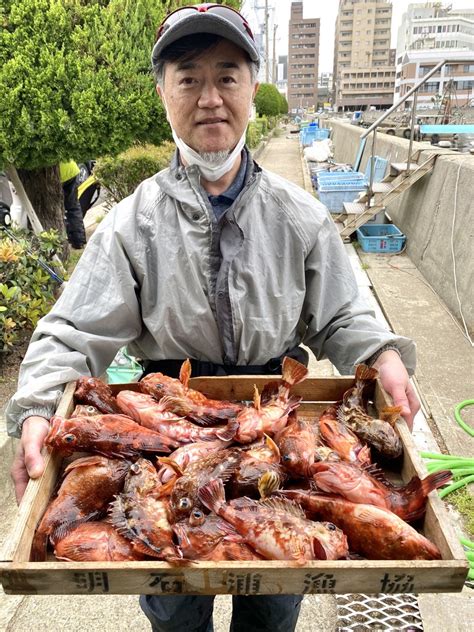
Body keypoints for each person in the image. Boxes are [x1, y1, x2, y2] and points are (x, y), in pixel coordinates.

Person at [7, 4, 420, 631]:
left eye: (227, 76)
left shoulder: (299, 215)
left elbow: (344, 311)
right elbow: (73, 330)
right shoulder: (130, 223)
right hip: (171, 417)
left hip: (276, 432)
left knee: (275, 601)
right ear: (162, 90)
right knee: (172, 603)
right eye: (188, 77)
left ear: (254, 87)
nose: (210, 98)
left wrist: (383, 354)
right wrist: (37, 407)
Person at [59, 160, 87, 249]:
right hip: (72, 169)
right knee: (73, 207)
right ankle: (79, 241)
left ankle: (60, 243)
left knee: (56, 209)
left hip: (59, 176)